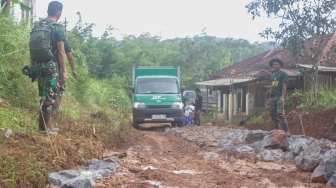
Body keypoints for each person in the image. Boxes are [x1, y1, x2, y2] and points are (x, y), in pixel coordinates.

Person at [30, 1, 67, 135]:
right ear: (58, 13)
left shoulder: (38, 26)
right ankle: (43, 129)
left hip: (39, 64)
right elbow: (61, 52)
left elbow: (32, 48)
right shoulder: (57, 28)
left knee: (43, 95)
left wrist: (32, 66)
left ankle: (48, 126)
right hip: (51, 66)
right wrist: (64, 71)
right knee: (50, 96)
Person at [51, 40, 77, 116]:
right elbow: (70, 57)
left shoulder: (46, 35)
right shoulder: (62, 40)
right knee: (57, 88)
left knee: (48, 87)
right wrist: (73, 70)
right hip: (54, 69)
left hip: (43, 67)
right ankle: (53, 111)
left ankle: (44, 110)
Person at [266, 58, 290, 136]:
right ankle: (277, 130)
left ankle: (287, 131)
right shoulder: (272, 76)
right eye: (273, 64)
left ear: (279, 65)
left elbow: (284, 86)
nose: (275, 66)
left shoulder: (283, 74)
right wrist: (269, 99)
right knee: (272, 114)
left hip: (279, 96)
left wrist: (282, 97)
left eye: (276, 64)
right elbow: (271, 88)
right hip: (273, 97)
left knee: (280, 114)